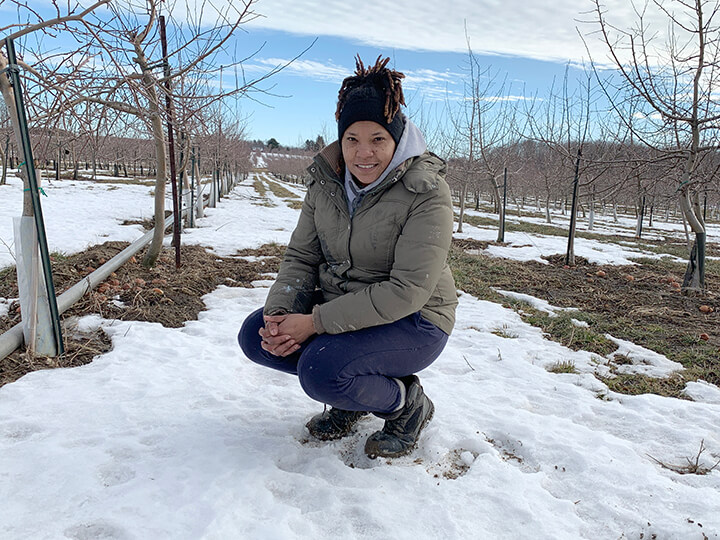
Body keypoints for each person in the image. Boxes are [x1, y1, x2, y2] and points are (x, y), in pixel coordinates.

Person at [238, 55, 457, 459]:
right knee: (258, 338)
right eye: (352, 139)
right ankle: (352, 392)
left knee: (322, 369)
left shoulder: (425, 192)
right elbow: (302, 256)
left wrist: (315, 322)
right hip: (346, 306)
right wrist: (281, 313)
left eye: (378, 139)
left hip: (416, 320)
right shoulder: (325, 183)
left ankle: (407, 405)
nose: (363, 153)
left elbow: (406, 291)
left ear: (398, 139)